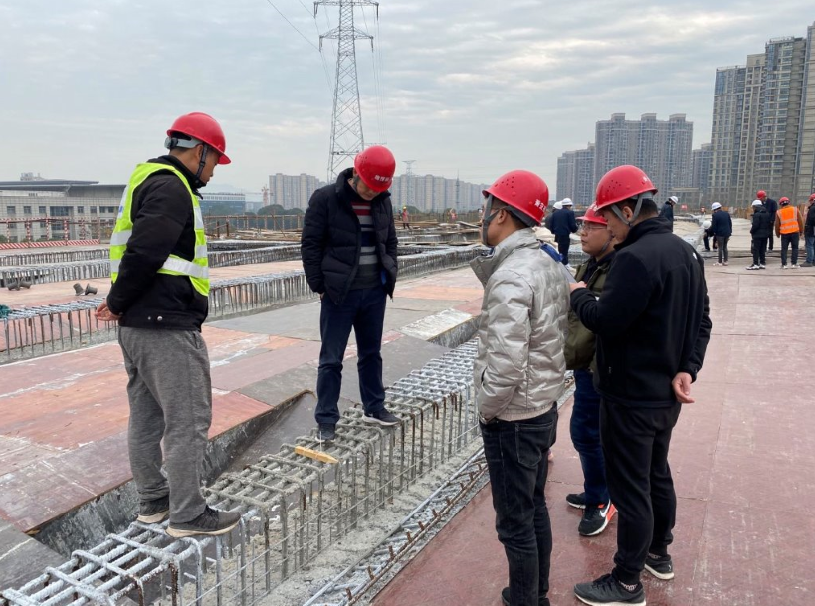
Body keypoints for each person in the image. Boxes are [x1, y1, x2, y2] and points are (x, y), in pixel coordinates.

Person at [569, 165, 712, 606]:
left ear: (628, 211)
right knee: (656, 474)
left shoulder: (634, 259)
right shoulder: (686, 253)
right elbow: (702, 320)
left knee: (631, 488)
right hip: (666, 393)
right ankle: (658, 553)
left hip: (630, 395)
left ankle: (627, 582)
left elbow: (606, 321)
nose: (607, 228)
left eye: (608, 219)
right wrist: (688, 368)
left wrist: (579, 294)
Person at [96, 112, 241, 538]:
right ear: (200, 152)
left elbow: (138, 250)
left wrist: (121, 303)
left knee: (146, 417)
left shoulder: (147, 179)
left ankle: (154, 501)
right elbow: (145, 252)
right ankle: (188, 514)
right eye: (215, 161)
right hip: (166, 325)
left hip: (139, 324)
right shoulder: (172, 187)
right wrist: (116, 301)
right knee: (188, 418)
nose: (213, 171)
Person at [473, 170, 569, 606]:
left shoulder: (511, 276)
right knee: (534, 508)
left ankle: (526, 599)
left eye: (486, 209)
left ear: (502, 216)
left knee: (514, 524)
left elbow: (506, 363)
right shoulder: (547, 261)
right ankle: (535, 593)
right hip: (543, 403)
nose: (482, 218)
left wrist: (487, 408)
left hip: (513, 417)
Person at [301, 146, 401, 442]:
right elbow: (310, 245)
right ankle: (326, 419)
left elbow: (390, 240)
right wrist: (320, 286)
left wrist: (389, 273)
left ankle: (374, 407)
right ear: (356, 173)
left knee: (371, 354)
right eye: (368, 186)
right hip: (339, 294)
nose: (372, 193)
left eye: (378, 188)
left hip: (374, 292)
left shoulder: (382, 201)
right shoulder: (326, 198)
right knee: (331, 359)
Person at [564, 204, 617, 537]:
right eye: (582, 226)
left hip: (600, 369)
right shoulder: (590, 265)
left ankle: (602, 500)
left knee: (588, 433)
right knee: (588, 432)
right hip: (585, 364)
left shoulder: (618, 270)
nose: (582, 233)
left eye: (591, 227)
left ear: (612, 228)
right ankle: (596, 489)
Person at [775, 196, 804, 269]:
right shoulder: (795, 209)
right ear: (789, 202)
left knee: (784, 249)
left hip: (784, 234)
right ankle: (794, 264)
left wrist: (777, 234)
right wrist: (801, 231)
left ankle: (784, 264)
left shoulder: (779, 212)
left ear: (781, 204)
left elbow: (777, 224)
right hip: (795, 232)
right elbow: (800, 221)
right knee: (795, 248)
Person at [550, 198, 577, 266]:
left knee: (558, 250)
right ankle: (564, 265)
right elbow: (572, 225)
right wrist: (575, 230)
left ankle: (558, 264)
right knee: (564, 252)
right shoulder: (570, 213)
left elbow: (551, 224)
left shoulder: (555, 213)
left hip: (557, 235)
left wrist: (553, 231)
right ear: (569, 205)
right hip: (565, 235)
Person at [747, 199, 771, 270]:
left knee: (756, 250)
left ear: (755, 207)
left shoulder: (757, 215)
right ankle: (762, 263)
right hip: (765, 234)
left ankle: (755, 264)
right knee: (763, 249)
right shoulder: (767, 213)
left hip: (757, 235)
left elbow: (755, 225)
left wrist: (751, 231)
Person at [804, 194, 815, 267]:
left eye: (810, 200)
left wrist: (807, 227)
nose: (810, 202)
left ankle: (809, 261)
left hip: (811, 230)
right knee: (813, 245)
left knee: (809, 245)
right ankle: (813, 261)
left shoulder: (812, 208)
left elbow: (811, 220)